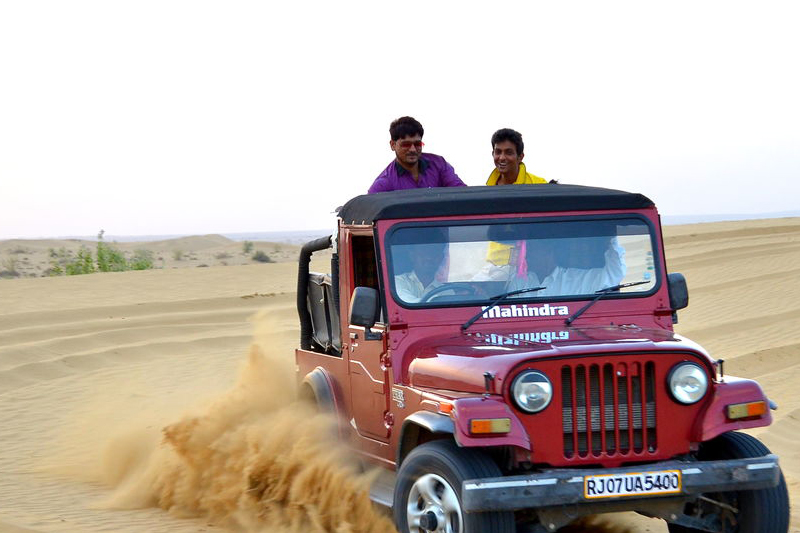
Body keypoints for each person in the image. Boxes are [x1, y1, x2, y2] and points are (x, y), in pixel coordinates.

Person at [368, 116, 466, 193]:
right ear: (392, 145)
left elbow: (462, 194)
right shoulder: (382, 185)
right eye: (406, 144)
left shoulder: (439, 164)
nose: (413, 149)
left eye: (417, 144)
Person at [506, 237, 627, 297]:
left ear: (549, 252)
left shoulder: (577, 279)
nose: (526, 256)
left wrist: (611, 236)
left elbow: (614, 275)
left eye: (531, 250)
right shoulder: (519, 282)